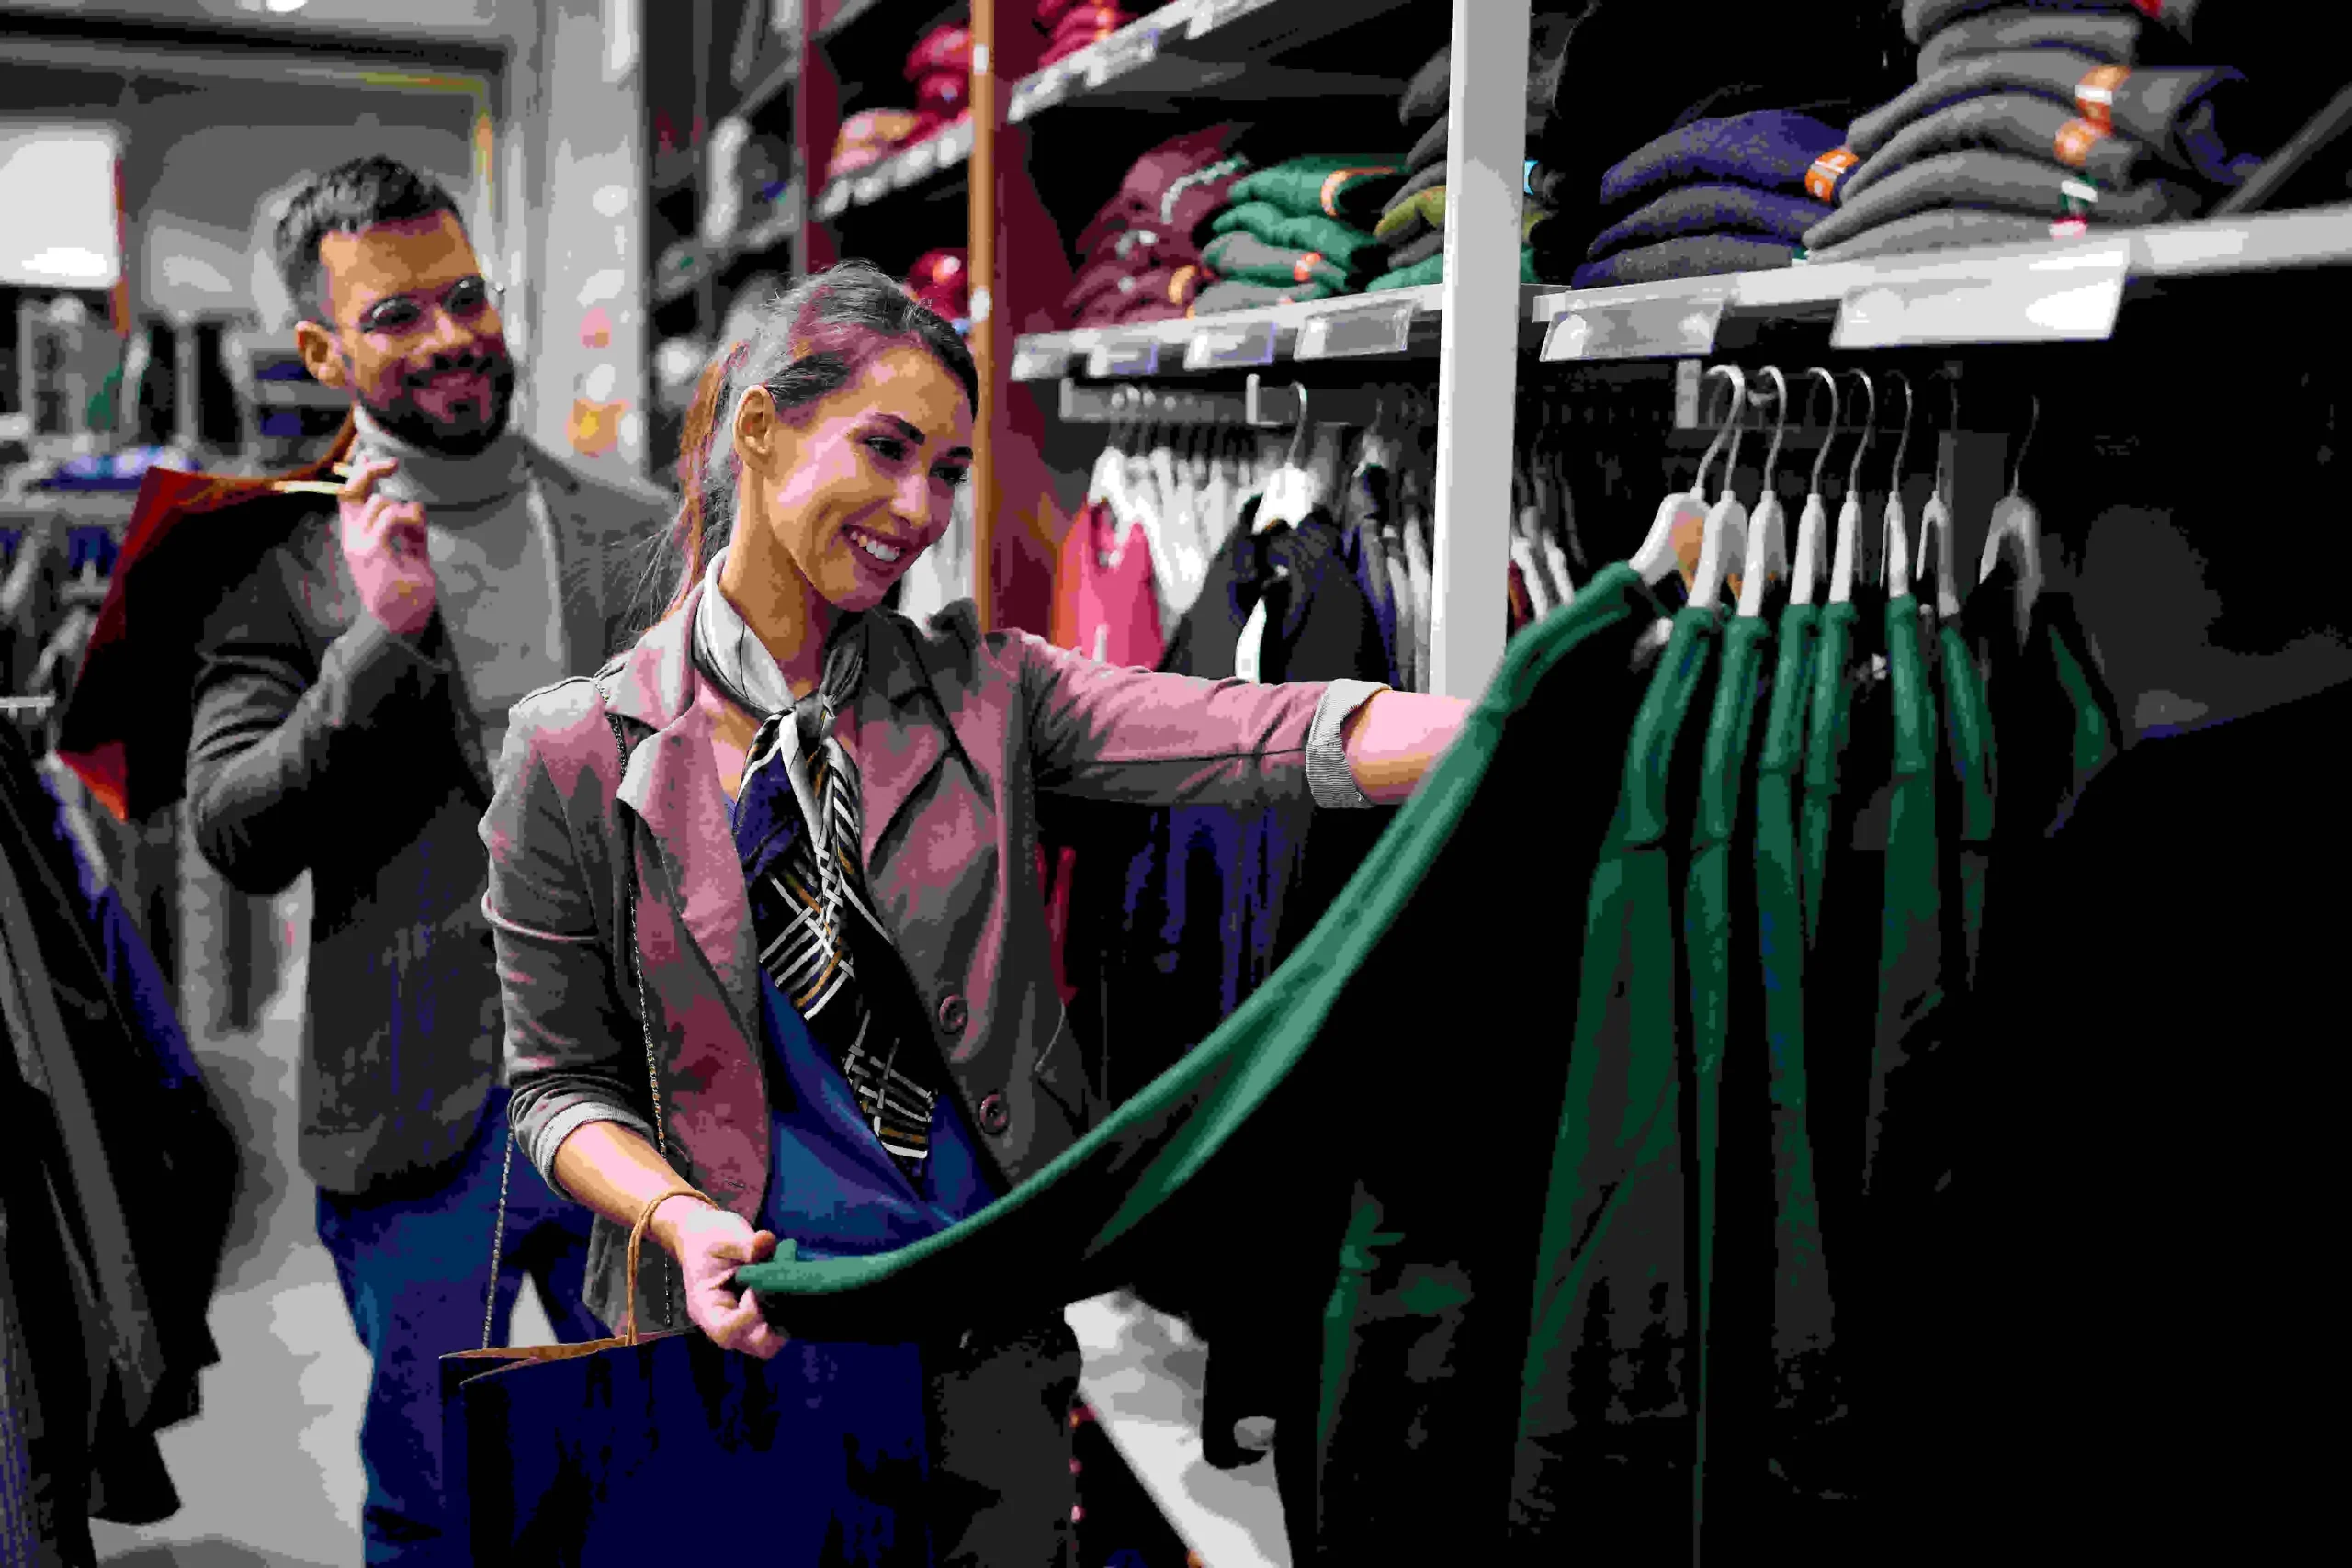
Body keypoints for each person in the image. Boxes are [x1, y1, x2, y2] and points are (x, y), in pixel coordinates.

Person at [478, 257, 1473, 1563]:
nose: (917, 507)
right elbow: (558, 1087)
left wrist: (1526, 714)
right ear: (765, 430)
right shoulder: (574, 755)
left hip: (986, 1351)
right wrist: (673, 1213)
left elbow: (1263, 734)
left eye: (947, 471)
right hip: (759, 1345)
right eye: (886, 449)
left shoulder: (988, 690)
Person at [183, 156, 667, 1563]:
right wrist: (377, 638)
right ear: (324, 349)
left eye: (465, 296)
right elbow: (237, 829)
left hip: (625, 1111)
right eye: (398, 316)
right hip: (412, 1122)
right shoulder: (273, 559)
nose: (452, 335)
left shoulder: (629, 532)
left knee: (640, 1476)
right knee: (432, 1500)